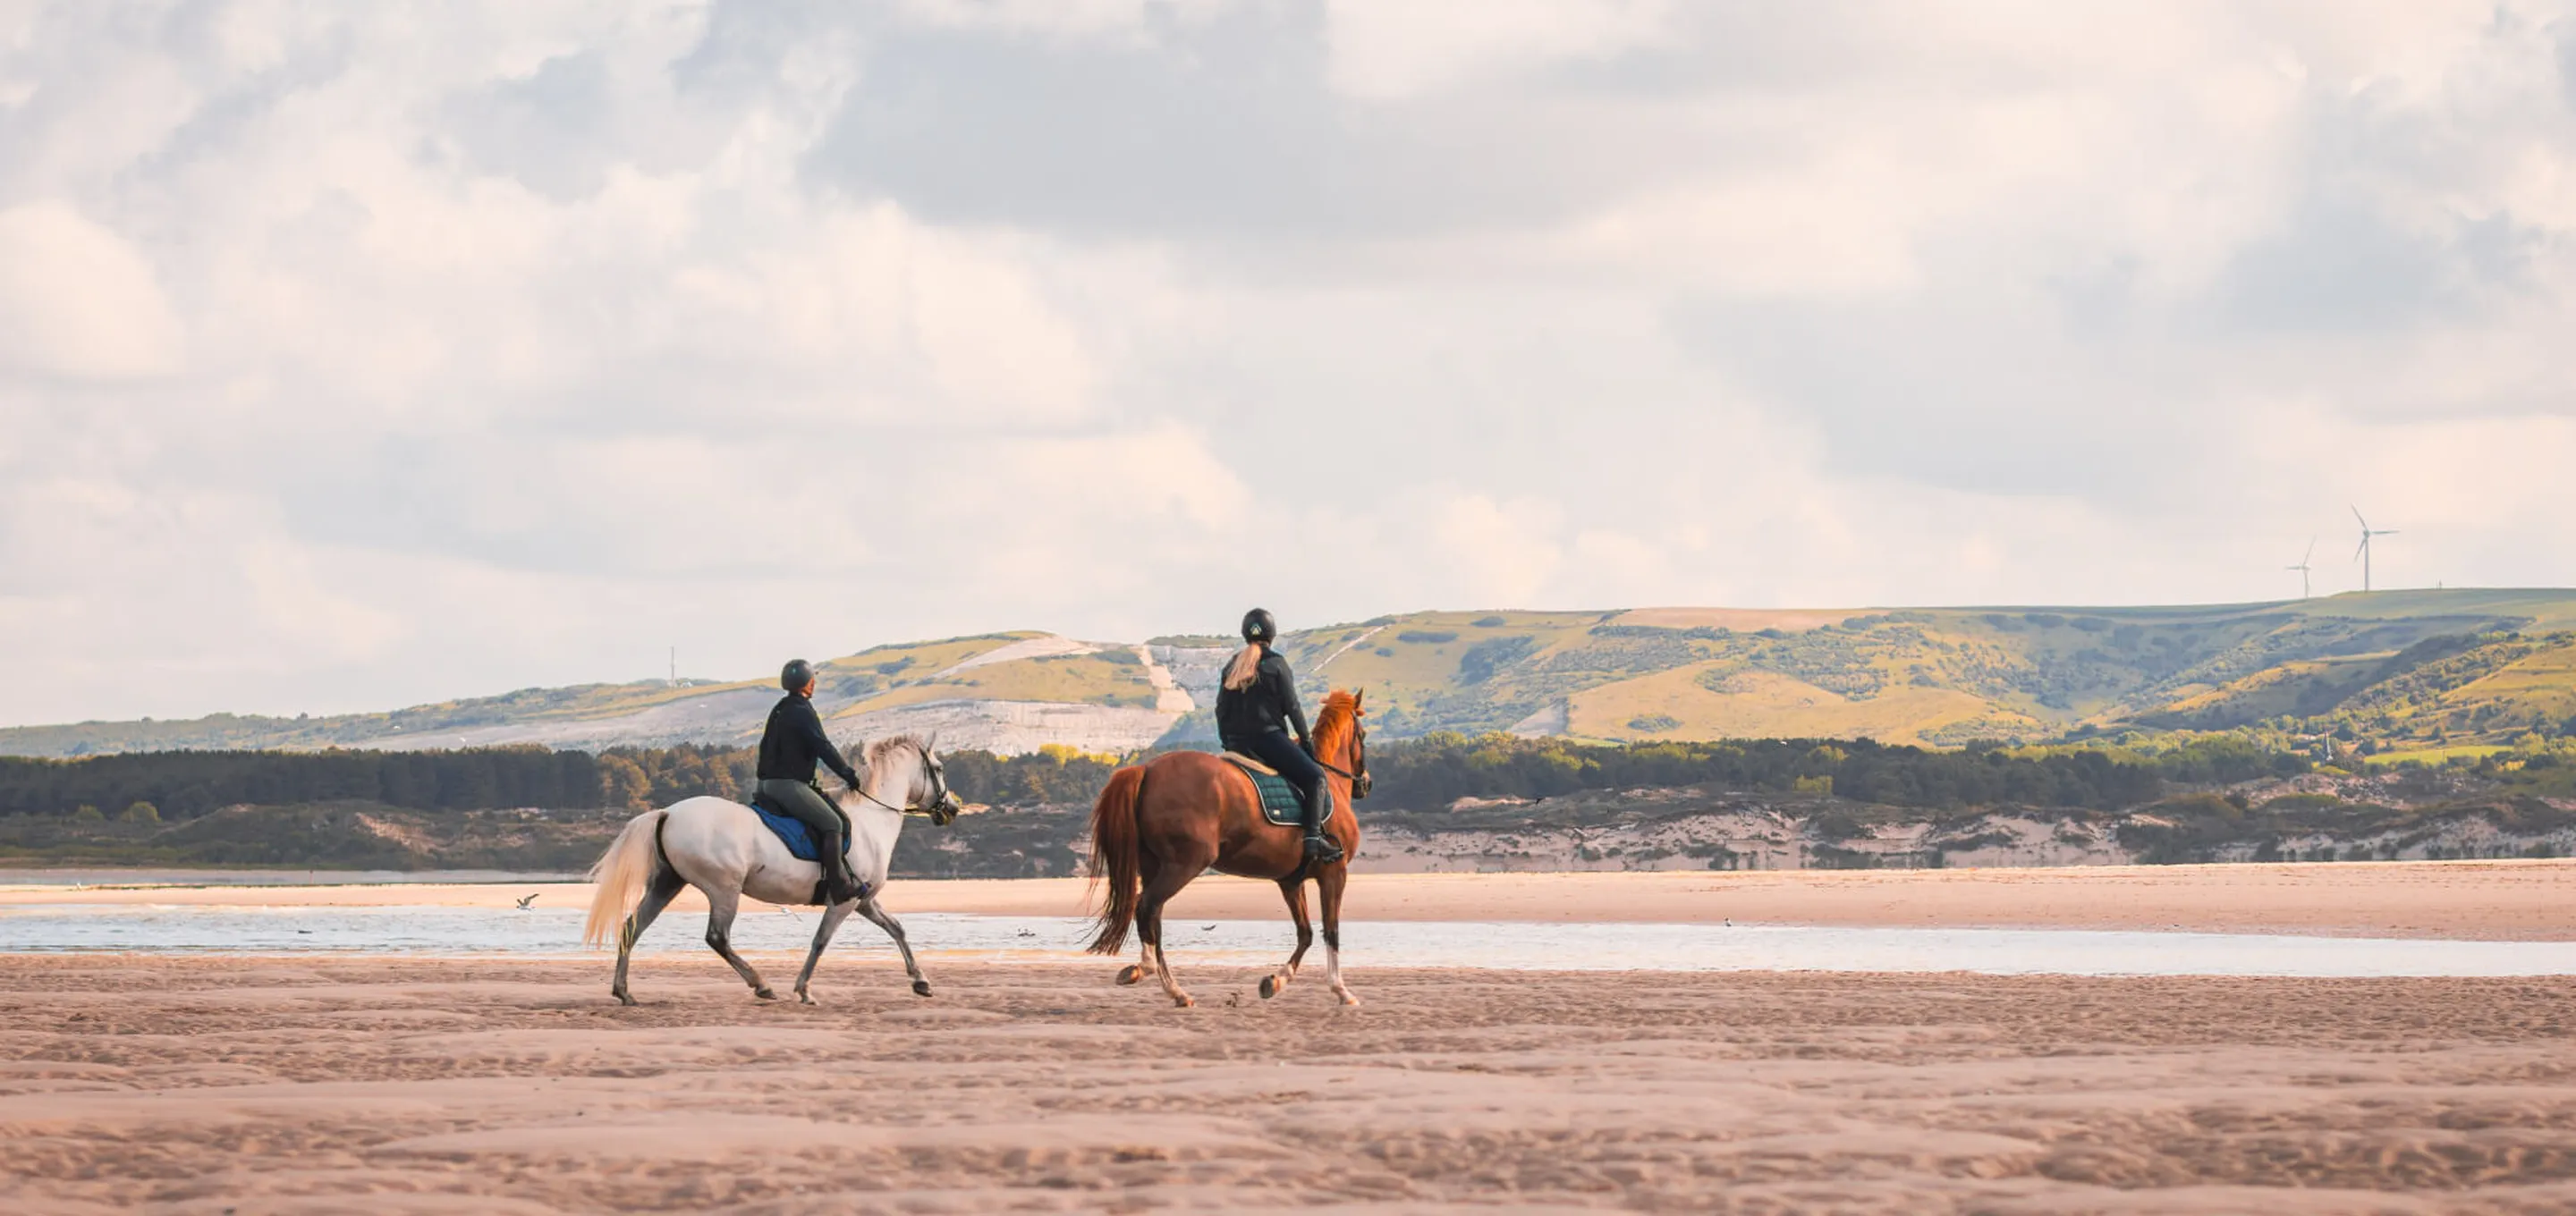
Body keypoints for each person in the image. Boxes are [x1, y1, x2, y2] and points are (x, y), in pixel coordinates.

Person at [1215, 608, 1343, 864]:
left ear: (1244, 634)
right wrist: (1307, 743)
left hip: (1236, 744)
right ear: (1272, 635)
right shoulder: (1276, 663)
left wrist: (1227, 742)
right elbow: (1292, 707)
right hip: (1268, 741)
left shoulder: (1233, 665)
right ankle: (1313, 839)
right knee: (1316, 777)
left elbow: (1220, 710)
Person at [757, 658, 865, 902]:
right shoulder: (802, 711)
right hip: (787, 784)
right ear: (807, 684)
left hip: (766, 783)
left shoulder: (781, 708)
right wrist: (848, 774)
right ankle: (839, 885)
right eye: (812, 679)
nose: (814, 683)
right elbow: (823, 747)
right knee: (832, 824)